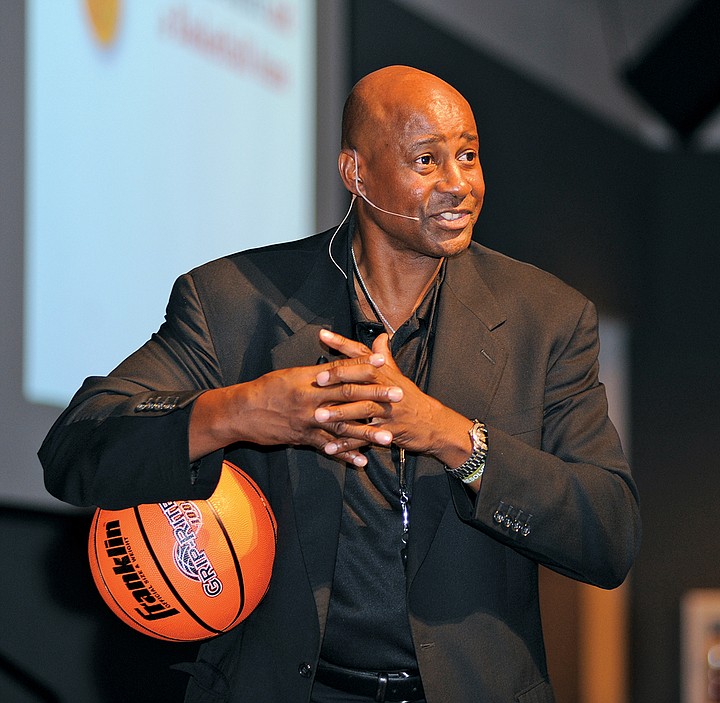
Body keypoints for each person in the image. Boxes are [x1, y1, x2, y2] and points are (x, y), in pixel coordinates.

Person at [39, 65, 641, 703]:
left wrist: (456, 440)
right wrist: (242, 411)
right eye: (426, 161)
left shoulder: (544, 319)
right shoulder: (232, 303)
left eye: (468, 156)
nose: (458, 185)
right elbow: (75, 448)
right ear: (356, 173)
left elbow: (609, 535)